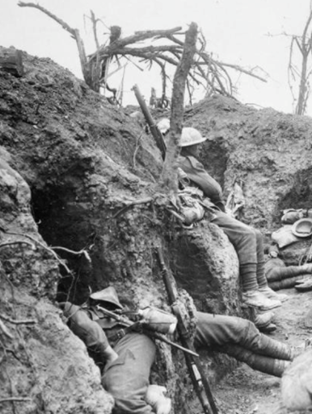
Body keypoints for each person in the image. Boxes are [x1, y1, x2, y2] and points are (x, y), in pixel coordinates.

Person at [62, 286, 296, 414]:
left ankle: (295, 358)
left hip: (155, 320)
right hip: (135, 340)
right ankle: (298, 371)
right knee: (125, 397)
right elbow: (83, 324)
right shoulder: (64, 312)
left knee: (238, 330)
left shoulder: (79, 306)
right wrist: (109, 354)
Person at [176, 127, 284, 311]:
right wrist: (221, 208)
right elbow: (214, 189)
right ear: (188, 148)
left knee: (257, 234)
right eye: (196, 145)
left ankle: (262, 287)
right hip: (202, 208)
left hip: (200, 206)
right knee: (247, 235)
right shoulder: (188, 161)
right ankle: (251, 291)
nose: (199, 149)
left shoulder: (179, 161)